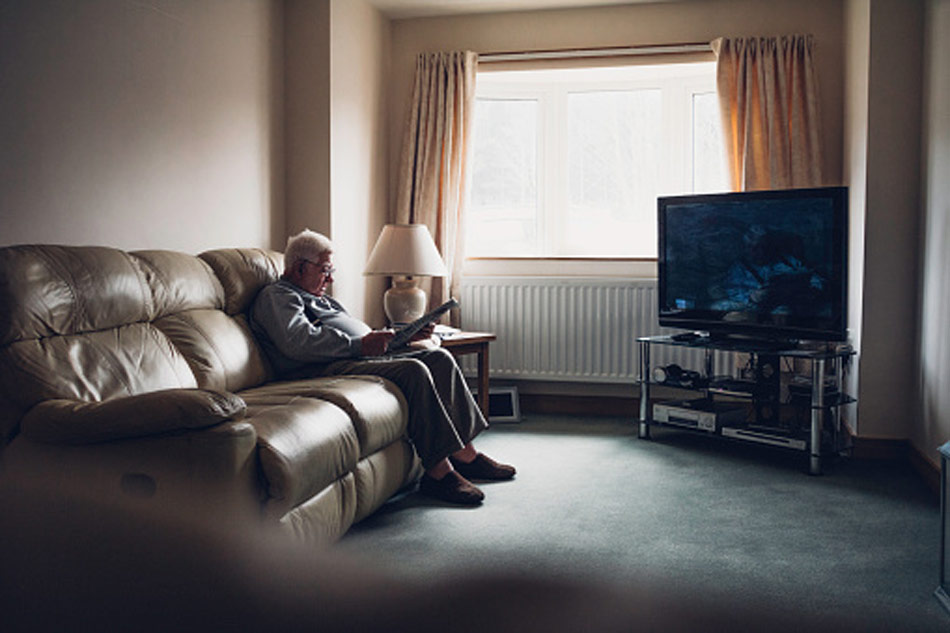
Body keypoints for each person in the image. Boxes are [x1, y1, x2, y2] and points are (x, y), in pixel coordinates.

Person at [249, 229, 515, 506]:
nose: (331, 278)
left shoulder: (322, 299)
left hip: (352, 357)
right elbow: (298, 343)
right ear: (300, 267)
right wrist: (360, 345)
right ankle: (438, 474)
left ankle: (466, 455)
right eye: (325, 270)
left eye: (331, 270)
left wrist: (401, 337)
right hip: (319, 368)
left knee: (440, 359)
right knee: (414, 370)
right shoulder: (278, 296)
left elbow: (360, 339)